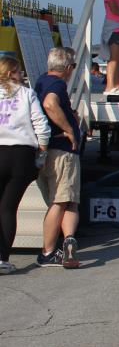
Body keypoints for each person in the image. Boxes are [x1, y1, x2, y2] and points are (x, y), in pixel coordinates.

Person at [0, 58, 50, 274]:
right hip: (21, 155)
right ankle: (2, 259)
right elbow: (41, 125)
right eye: (19, 71)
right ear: (10, 73)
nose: (22, 75)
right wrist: (42, 154)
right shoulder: (27, 94)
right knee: (8, 208)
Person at [34, 48, 82, 268]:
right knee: (61, 200)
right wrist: (69, 129)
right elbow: (50, 104)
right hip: (62, 151)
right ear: (68, 68)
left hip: (46, 149)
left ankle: (69, 239)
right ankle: (48, 251)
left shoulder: (41, 81)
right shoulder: (57, 84)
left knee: (69, 199)